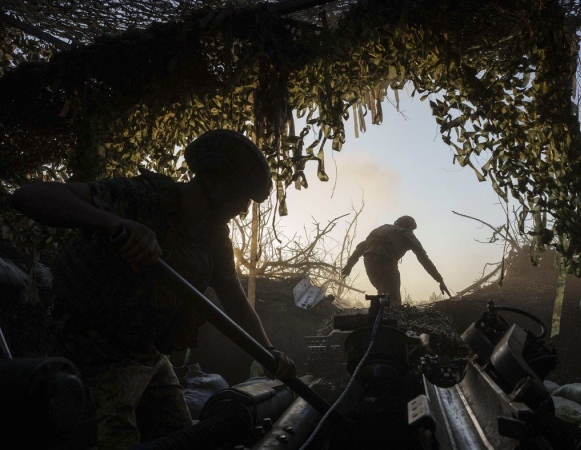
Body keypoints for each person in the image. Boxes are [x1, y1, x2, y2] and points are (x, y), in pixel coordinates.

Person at [9, 129, 296, 449]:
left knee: (184, 439)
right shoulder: (141, 198)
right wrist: (114, 224)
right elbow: (27, 196)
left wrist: (268, 351)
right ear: (215, 184)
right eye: (240, 197)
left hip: (147, 354)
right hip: (89, 348)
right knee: (114, 440)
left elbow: (234, 300)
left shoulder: (214, 240)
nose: (242, 209)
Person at [341, 216, 451, 305]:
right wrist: (439, 279)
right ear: (410, 227)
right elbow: (423, 258)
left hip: (369, 262)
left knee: (382, 293)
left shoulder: (381, 229)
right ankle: (392, 326)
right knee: (393, 301)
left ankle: (378, 324)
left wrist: (349, 265)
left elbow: (361, 247)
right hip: (386, 262)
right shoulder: (406, 233)